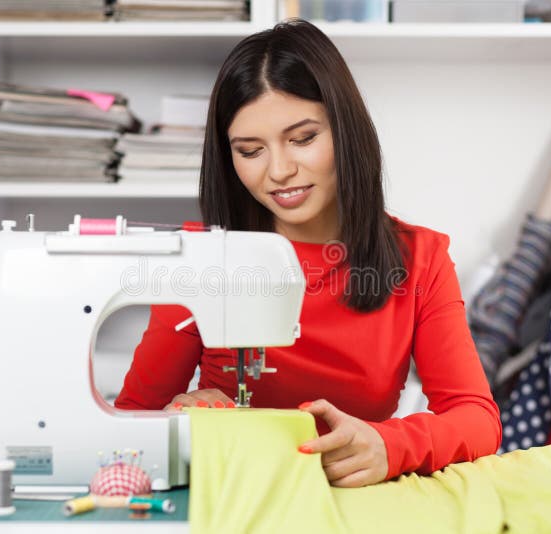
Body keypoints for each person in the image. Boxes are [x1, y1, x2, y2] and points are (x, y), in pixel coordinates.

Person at [115, 18, 501, 488]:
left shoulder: (419, 259)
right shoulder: (200, 259)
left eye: (303, 139)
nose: (279, 170)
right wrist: (175, 420)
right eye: (251, 150)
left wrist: (388, 445)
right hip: (234, 492)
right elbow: (132, 418)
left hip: (356, 502)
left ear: (345, 130)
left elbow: (477, 418)